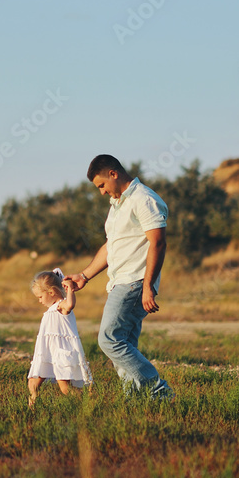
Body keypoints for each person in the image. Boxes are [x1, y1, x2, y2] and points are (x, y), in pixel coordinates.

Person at [66, 154, 172, 398]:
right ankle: (134, 399)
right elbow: (110, 246)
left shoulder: (144, 199)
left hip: (134, 282)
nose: (102, 192)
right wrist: (84, 275)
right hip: (120, 281)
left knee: (109, 340)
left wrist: (148, 286)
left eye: (102, 186)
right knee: (124, 345)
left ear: (113, 174)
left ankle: (158, 390)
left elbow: (157, 243)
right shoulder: (117, 205)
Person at [27, 268, 94, 407]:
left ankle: (88, 404)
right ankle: (32, 405)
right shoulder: (50, 310)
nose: (39, 301)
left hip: (60, 353)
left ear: (51, 292)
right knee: (33, 382)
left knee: (65, 388)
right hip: (46, 352)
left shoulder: (61, 305)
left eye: (40, 297)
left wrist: (70, 290)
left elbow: (70, 304)